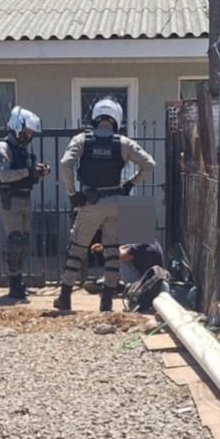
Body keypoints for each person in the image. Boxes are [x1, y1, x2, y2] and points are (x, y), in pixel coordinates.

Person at [54, 97, 156, 312]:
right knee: (111, 251)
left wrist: (72, 193)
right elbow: (149, 164)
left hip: (91, 202)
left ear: (95, 117)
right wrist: (130, 184)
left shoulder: (82, 140)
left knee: (77, 248)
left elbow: (65, 164)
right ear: (116, 118)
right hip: (117, 201)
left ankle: (64, 297)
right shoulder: (124, 143)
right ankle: (107, 302)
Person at [0, 106, 50, 301]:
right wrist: (28, 171)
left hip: (24, 197)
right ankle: (13, 283)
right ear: (18, 127)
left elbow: (27, 177)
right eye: (28, 131)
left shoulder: (22, 150)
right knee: (15, 241)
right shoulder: (2, 148)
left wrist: (38, 173)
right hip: (11, 200)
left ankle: (19, 280)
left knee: (24, 243)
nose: (30, 135)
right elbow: (4, 175)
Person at [89, 240, 164, 287]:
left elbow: (120, 256)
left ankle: (111, 283)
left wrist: (102, 249)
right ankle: (113, 282)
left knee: (122, 260)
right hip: (152, 280)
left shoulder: (140, 244)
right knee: (126, 255)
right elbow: (124, 248)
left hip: (144, 284)